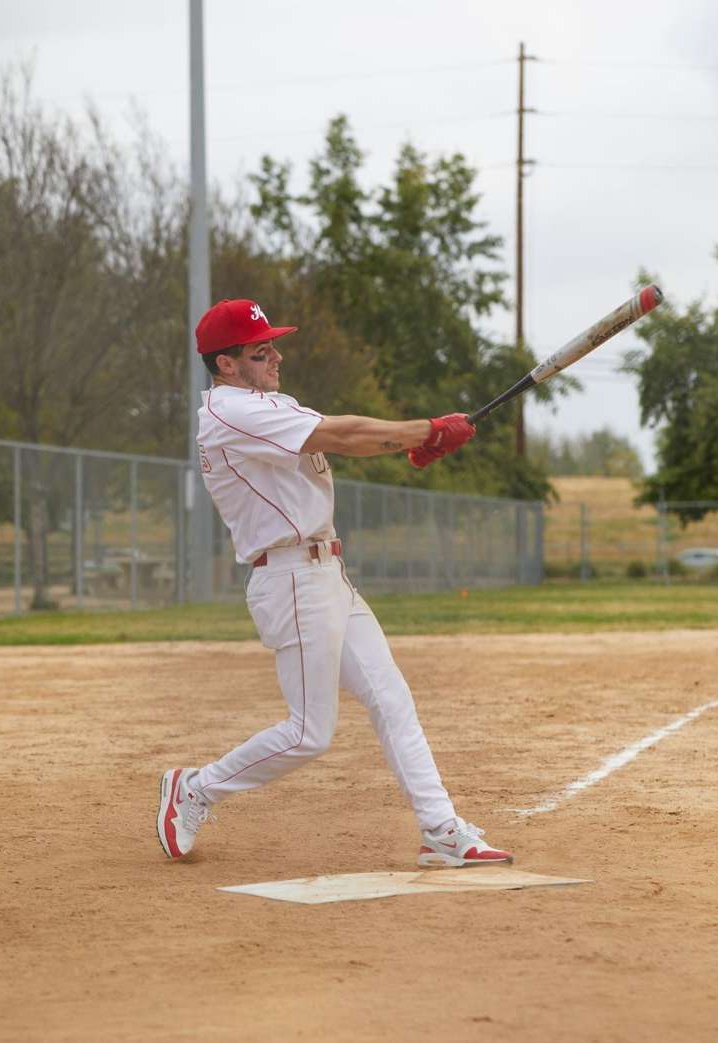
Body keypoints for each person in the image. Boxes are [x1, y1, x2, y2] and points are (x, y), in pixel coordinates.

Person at [156, 298, 514, 868]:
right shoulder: (231, 411)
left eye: (273, 343)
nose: (274, 353)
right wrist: (427, 430)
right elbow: (342, 435)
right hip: (292, 578)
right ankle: (196, 788)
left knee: (391, 697)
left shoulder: (268, 404)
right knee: (309, 734)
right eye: (258, 349)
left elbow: (342, 438)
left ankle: (441, 829)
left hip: (327, 573)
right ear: (225, 365)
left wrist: (413, 443)